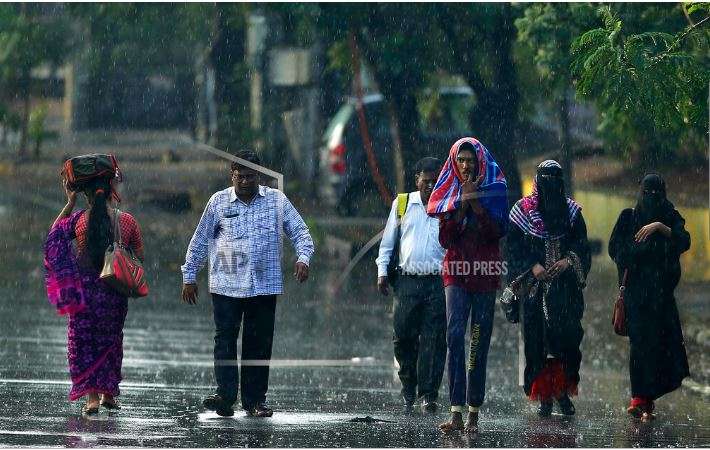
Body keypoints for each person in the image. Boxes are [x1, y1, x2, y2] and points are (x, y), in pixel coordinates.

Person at [181, 149, 315, 418]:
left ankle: (255, 401)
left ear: (259, 176)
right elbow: (200, 239)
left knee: (258, 343)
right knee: (225, 340)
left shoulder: (277, 201)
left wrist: (303, 258)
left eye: (251, 176)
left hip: (264, 285)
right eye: (240, 176)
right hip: (225, 285)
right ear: (232, 175)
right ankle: (225, 395)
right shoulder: (218, 203)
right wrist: (189, 275)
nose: (245, 181)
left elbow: (301, 232)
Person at [44, 156, 144, 415]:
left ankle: (91, 399)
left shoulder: (78, 220)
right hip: (115, 292)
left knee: (84, 343)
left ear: (85, 195)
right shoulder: (128, 221)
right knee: (111, 340)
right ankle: (108, 395)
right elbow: (138, 256)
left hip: (85, 292)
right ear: (112, 189)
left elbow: (54, 237)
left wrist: (69, 203)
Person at [427, 137, 508, 434]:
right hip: (456, 272)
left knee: (478, 338)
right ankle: (456, 411)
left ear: (479, 162)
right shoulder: (447, 190)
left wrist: (476, 203)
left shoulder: (495, 188)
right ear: (453, 162)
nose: (465, 165)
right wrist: (461, 205)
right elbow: (446, 239)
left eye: (470, 160)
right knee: (454, 334)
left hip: (485, 273)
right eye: (460, 160)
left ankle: (474, 410)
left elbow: (498, 231)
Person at [508, 160, 590, 417]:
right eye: (546, 180)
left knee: (566, 340)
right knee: (538, 342)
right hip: (534, 290)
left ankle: (562, 392)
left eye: (555, 180)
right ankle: (544, 394)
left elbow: (582, 246)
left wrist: (568, 261)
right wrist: (533, 267)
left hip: (565, 291)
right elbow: (512, 247)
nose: (550, 186)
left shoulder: (572, 212)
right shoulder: (522, 212)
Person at [608, 173, 691, 421]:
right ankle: (638, 397)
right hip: (637, 296)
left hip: (663, 297)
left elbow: (684, 241)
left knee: (661, 346)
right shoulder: (628, 218)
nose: (651, 199)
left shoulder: (670, 216)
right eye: (647, 194)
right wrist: (642, 248)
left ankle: (647, 399)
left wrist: (660, 228)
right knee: (640, 345)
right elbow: (617, 251)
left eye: (656, 194)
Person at [375, 157, 446, 414]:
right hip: (407, 281)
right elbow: (388, 242)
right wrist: (382, 272)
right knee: (403, 337)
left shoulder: (448, 205)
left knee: (435, 339)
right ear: (417, 180)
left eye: (434, 181)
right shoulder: (403, 203)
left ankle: (429, 394)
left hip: (439, 282)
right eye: (425, 181)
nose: (429, 186)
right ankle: (408, 386)